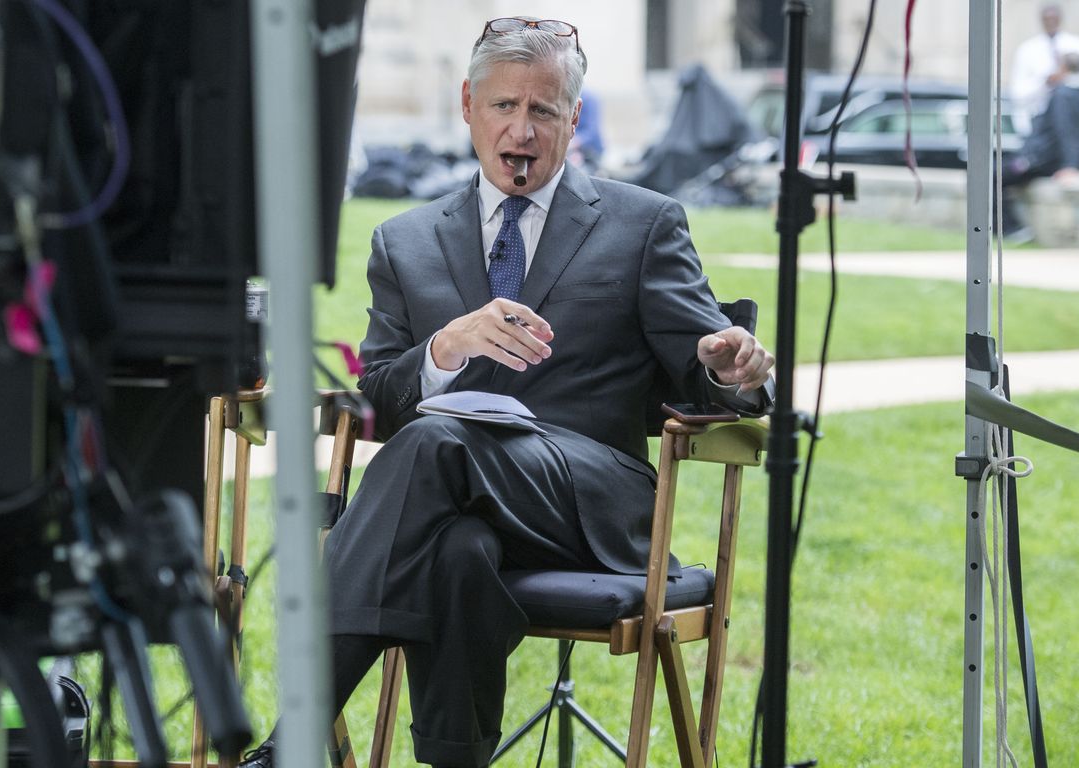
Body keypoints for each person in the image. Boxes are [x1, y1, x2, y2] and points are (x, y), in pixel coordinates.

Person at [240, 15, 773, 768]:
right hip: (447, 502)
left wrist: (729, 366)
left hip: (590, 500)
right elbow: (380, 405)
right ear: (468, 105)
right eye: (503, 107)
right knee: (458, 552)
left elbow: (716, 373)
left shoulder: (644, 223)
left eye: (544, 111)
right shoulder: (404, 240)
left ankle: (294, 740)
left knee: (430, 444)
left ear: (573, 117)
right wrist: (445, 349)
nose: (521, 130)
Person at [1001, 51, 1079, 238]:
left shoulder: (1063, 94)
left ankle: (1010, 229)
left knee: (994, 176)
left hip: (1042, 159)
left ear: (1063, 68)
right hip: (1053, 158)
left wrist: (1070, 165)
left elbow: (1066, 129)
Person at [1010, 3, 1079, 133]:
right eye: (1047, 19)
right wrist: (1046, 82)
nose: (1051, 23)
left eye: (1054, 18)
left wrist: (1067, 77)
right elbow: (1017, 93)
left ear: (1060, 19)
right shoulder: (1027, 50)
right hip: (1038, 125)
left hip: (1073, 126)